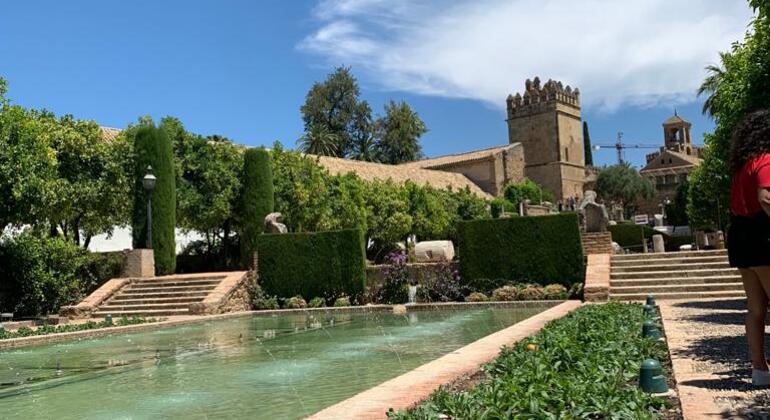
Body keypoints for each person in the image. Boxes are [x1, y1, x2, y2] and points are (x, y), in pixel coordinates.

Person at [727, 109, 770, 386]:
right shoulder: (765, 160)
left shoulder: (741, 166)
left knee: (755, 308)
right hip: (762, 236)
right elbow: (765, 197)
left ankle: (759, 371)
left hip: (740, 237)